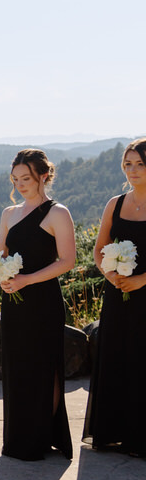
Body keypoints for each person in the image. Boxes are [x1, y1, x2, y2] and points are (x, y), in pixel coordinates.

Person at [0, 148, 76, 461]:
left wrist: (27, 280)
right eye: (15, 179)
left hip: (43, 302)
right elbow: (1, 253)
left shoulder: (58, 213)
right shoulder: (8, 214)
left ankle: (41, 438)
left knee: (44, 369)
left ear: (44, 176)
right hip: (13, 302)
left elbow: (67, 261)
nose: (20, 185)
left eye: (26, 178)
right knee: (17, 368)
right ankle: (18, 437)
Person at [83, 137, 146, 456]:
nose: (132, 170)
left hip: (145, 292)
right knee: (118, 357)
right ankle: (115, 431)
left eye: (140, 163)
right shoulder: (115, 204)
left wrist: (141, 281)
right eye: (128, 163)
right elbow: (98, 249)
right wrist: (111, 275)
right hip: (118, 294)